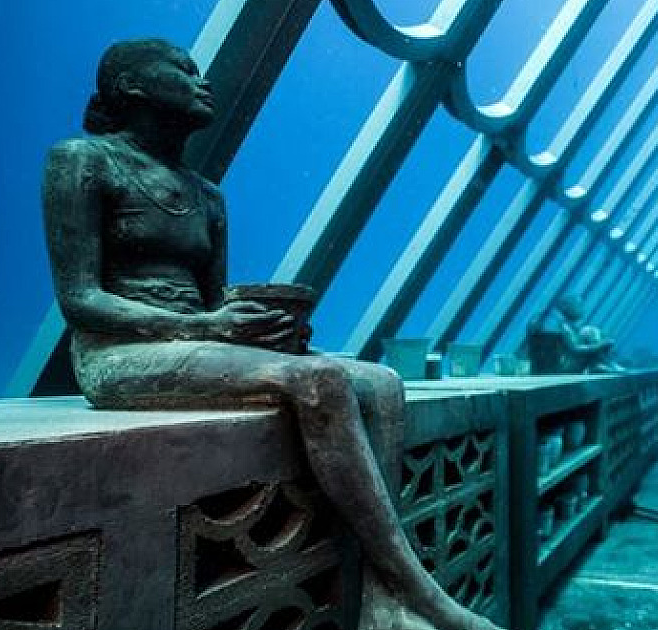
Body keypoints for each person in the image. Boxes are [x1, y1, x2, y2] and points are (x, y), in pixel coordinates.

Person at [43, 39, 502, 630]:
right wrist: (202, 326)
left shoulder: (206, 194)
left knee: (383, 382)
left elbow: (215, 299)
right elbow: (80, 300)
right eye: (184, 69)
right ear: (132, 87)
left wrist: (266, 325)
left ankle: (380, 597)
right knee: (319, 380)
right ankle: (419, 589)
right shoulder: (83, 160)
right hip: (120, 355)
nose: (202, 81)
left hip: (197, 341)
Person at [526, 295, 624, 374]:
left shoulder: (565, 326)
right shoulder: (564, 327)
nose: (582, 309)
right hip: (562, 368)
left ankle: (601, 363)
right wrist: (600, 346)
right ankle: (601, 363)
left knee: (588, 331)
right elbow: (575, 349)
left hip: (554, 367)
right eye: (578, 305)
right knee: (589, 331)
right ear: (568, 307)